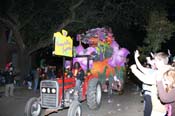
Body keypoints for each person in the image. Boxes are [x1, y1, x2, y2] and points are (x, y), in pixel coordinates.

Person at [130, 51, 170, 116]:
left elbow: (146, 79)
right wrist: (136, 58)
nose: (154, 62)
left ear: (161, 61)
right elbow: (142, 68)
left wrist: (134, 70)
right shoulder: (163, 70)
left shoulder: (162, 73)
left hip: (159, 108)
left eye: (156, 60)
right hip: (159, 105)